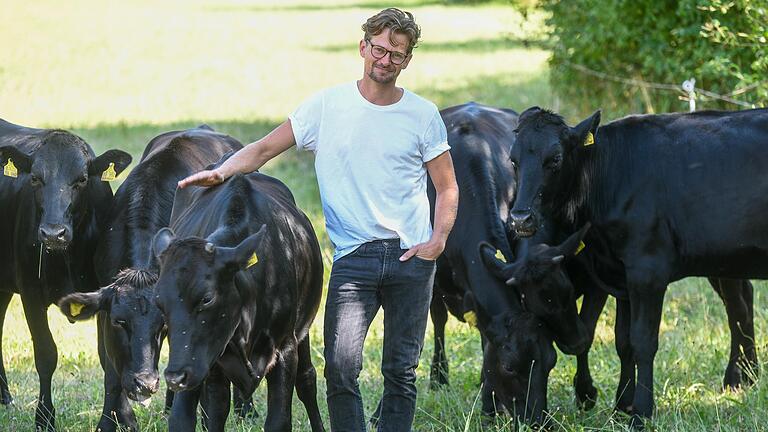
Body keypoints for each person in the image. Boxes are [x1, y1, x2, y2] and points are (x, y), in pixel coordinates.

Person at [178, 7, 458, 431]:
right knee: (341, 370)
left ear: (407, 60)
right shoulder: (326, 106)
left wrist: (436, 241)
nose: (385, 60)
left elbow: (448, 186)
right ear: (363, 47)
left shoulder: (422, 115)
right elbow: (265, 149)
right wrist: (221, 171)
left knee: (400, 371)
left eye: (396, 54)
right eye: (379, 49)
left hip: (411, 259)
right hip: (353, 259)